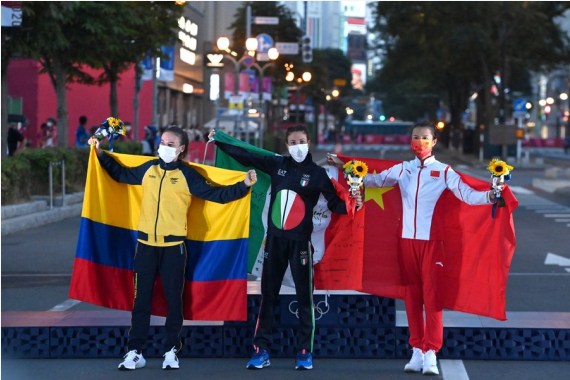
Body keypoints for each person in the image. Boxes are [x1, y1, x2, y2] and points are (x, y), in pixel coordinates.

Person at [328, 121, 500, 376]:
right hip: (406, 242)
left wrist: (490, 195)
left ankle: (431, 351)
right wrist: (346, 166)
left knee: (432, 300)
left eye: (425, 138)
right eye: (416, 137)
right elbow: (373, 181)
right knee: (411, 299)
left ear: (434, 142)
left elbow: (466, 194)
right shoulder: (403, 169)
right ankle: (416, 350)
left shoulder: (443, 171)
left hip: (432, 244)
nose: (419, 142)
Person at [88, 126, 257, 371]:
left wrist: (243, 184)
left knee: (173, 302)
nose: (164, 147)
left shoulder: (188, 175)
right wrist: (100, 153)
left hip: (174, 248)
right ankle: (135, 352)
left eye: (170, 144)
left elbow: (216, 194)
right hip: (145, 247)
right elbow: (120, 174)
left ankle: (171, 351)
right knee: (141, 302)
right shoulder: (148, 169)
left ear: (181, 149)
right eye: (163, 142)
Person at [208, 125, 363, 371]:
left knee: (305, 299)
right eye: (293, 142)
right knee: (268, 297)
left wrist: (356, 197)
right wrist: (220, 141)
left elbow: (336, 205)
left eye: (301, 140)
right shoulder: (277, 164)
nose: (297, 145)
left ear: (308, 142)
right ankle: (261, 350)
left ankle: (304, 352)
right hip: (274, 242)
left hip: (301, 244)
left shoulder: (318, 174)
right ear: (287, 146)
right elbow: (247, 156)